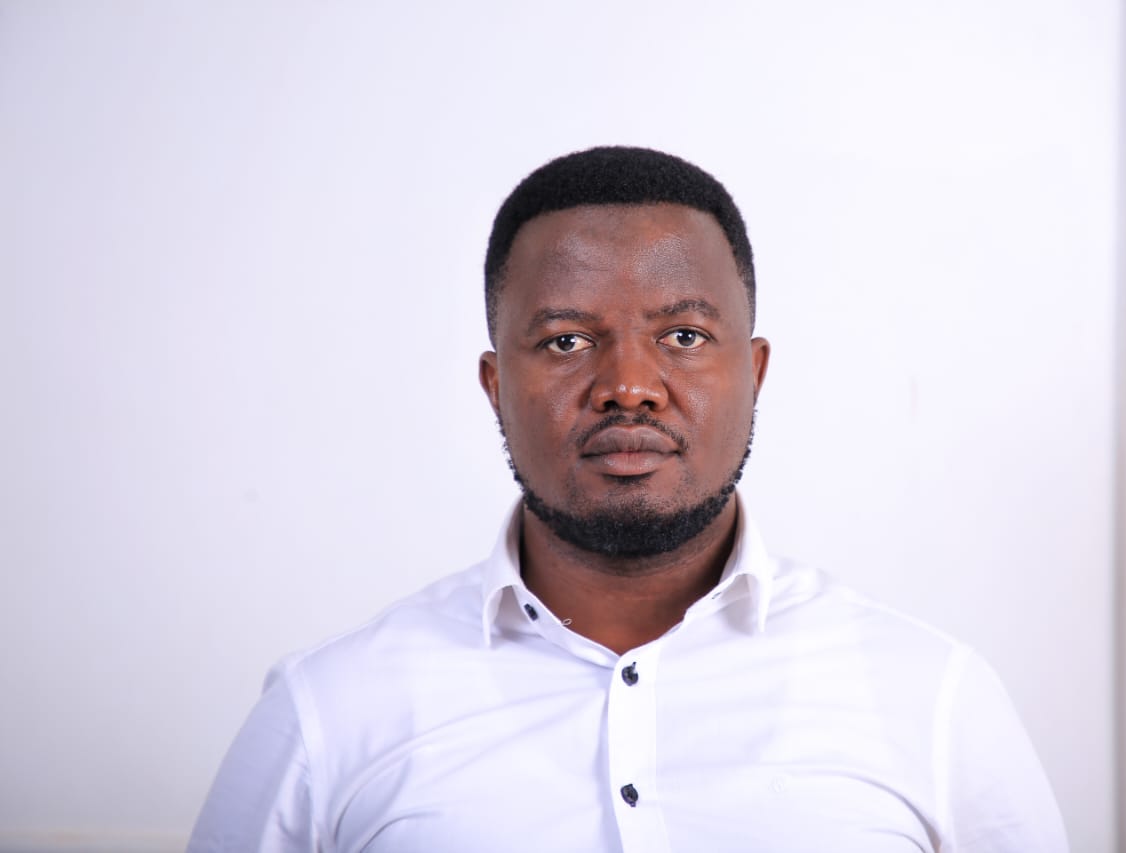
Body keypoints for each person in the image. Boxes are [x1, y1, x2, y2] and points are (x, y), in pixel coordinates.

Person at [188, 146, 1069, 852]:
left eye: (683, 334)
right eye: (567, 341)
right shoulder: (327, 713)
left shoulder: (933, 697)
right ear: (495, 386)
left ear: (753, 372)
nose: (630, 386)